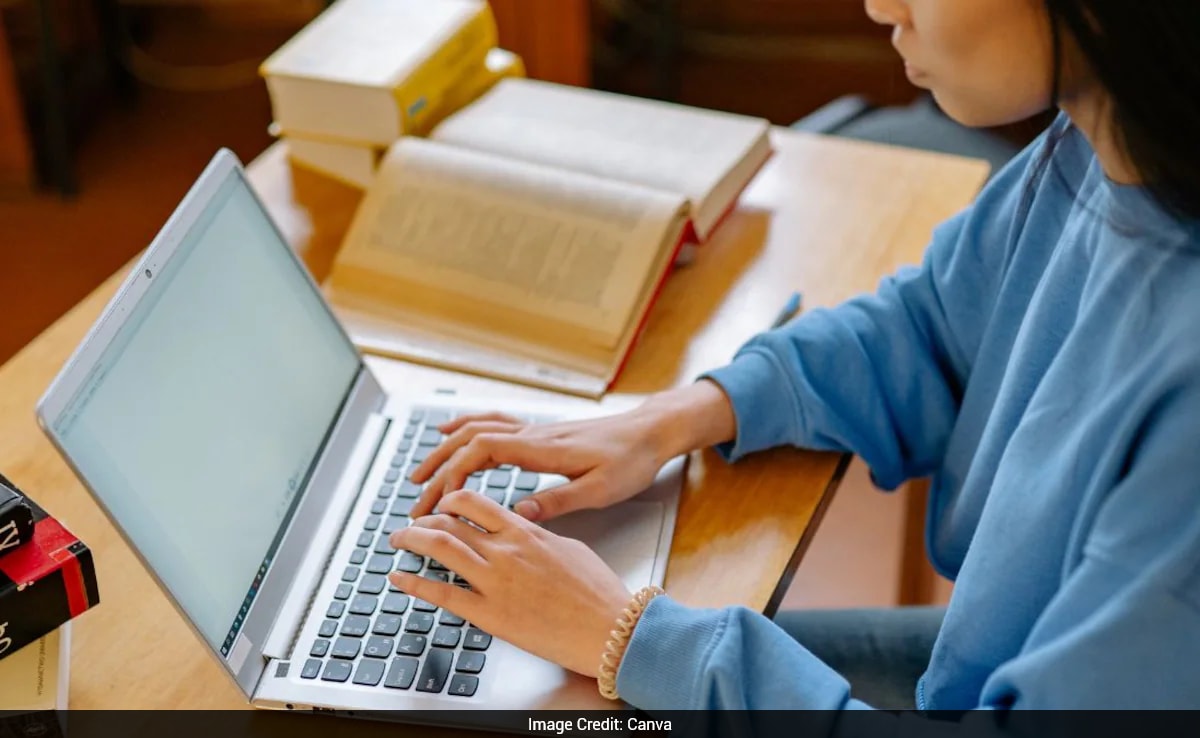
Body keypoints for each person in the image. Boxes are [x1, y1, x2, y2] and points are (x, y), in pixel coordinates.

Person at [385, 0, 1200, 714]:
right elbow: (932, 327)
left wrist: (624, 636)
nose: (881, 6)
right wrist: (677, 417)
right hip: (988, 664)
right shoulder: (1099, 147)